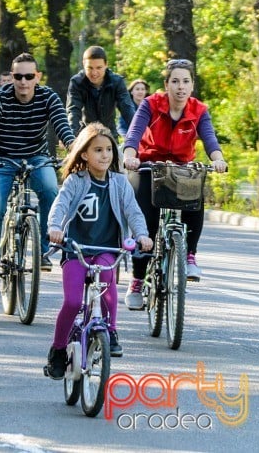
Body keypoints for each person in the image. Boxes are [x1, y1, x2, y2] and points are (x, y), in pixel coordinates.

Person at [43, 124, 152, 377]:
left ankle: (111, 331)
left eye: (109, 150)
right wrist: (55, 228)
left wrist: (142, 235)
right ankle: (58, 350)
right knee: (71, 302)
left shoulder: (120, 183)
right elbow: (60, 206)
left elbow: (133, 212)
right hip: (76, 250)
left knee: (107, 287)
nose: (105, 155)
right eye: (98, 150)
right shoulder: (75, 181)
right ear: (84, 154)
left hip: (106, 249)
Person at [121, 58, 228, 299]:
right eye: (175, 81)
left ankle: (189, 254)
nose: (181, 87)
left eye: (186, 82)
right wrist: (130, 156)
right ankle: (138, 279)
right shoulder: (151, 104)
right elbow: (134, 133)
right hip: (150, 165)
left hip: (181, 167)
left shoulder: (199, 110)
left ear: (192, 85)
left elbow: (210, 139)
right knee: (145, 223)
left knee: (195, 199)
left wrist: (218, 160)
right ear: (166, 84)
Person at [0, 53, 75, 280]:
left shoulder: (48, 97)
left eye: (29, 76)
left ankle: (43, 250)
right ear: (12, 77)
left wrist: (75, 149)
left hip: (36, 157)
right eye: (18, 76)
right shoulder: (0, 97)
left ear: (37, 76)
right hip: (1, 159)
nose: (23, 81)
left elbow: (62, 127)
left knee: (50, 190)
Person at [66, 45, 135, 140]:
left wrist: (138, 133)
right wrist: (71, 136)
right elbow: (73, 111)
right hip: (85, 136)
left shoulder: (117, 82)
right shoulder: (77, 82)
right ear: (83, 64)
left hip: (110, 135)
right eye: (90, 68)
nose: (94, 73)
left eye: (99, 68)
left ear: (106, 65)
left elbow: (127, 109)